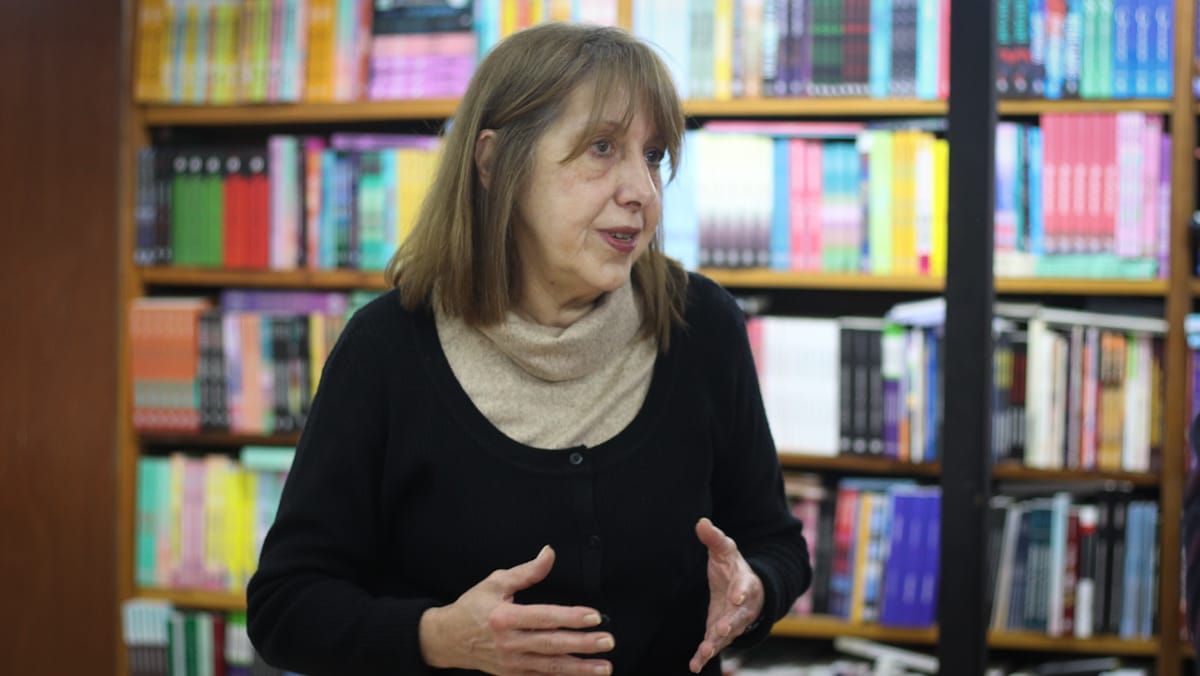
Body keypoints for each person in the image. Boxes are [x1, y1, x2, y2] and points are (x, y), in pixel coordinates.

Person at [246, 22, 811, 675]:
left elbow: (774, 545)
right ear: (493, 164)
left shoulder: (700, 324)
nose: (641, 191)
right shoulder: (386, 351)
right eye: (602, 148)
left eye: (652, 155)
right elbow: (285, 607)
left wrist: (755, 589)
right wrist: (436, 637)